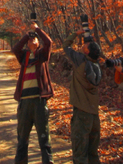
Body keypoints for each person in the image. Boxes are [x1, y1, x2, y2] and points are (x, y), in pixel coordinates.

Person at [12, 22, 54, 164]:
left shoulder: (42, 55)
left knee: (44, 140)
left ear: (38, 43)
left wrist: (36, 29)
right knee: (22, 141)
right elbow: (15, 48)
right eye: (31, 39)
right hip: (24, 102)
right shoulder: (24, 56)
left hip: (38, 102)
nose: (32, 40)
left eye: (34, 39)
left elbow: (48, 42)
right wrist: (26, 36)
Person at [63, 29, 102, 164]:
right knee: (93, 154)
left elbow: (66, 46)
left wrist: (75, 33)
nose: (83, 45)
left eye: (85, 45)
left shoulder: (80, 61)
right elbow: (94, 51)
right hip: (94, 114)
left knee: (80, 153)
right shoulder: (96, 65)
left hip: (81, 113)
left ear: (86, 52)